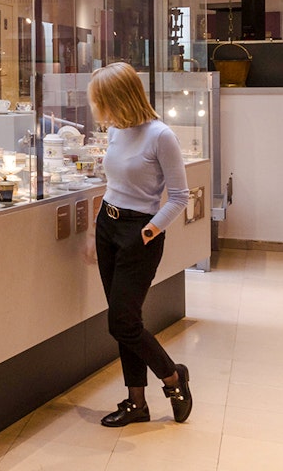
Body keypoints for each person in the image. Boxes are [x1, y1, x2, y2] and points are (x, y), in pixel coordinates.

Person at [86, 62, 193, 427]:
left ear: (119, 96)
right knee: (124, 321)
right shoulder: (116, 130)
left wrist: (147, 232)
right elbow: (112, 183)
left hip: (140, 232)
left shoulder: (161, 136)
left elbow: (180, 197)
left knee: (123, 322)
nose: (98, 108)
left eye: (101, 99)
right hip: (108, 227)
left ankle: (173, 378)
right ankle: (136, 402)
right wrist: (94, 230)